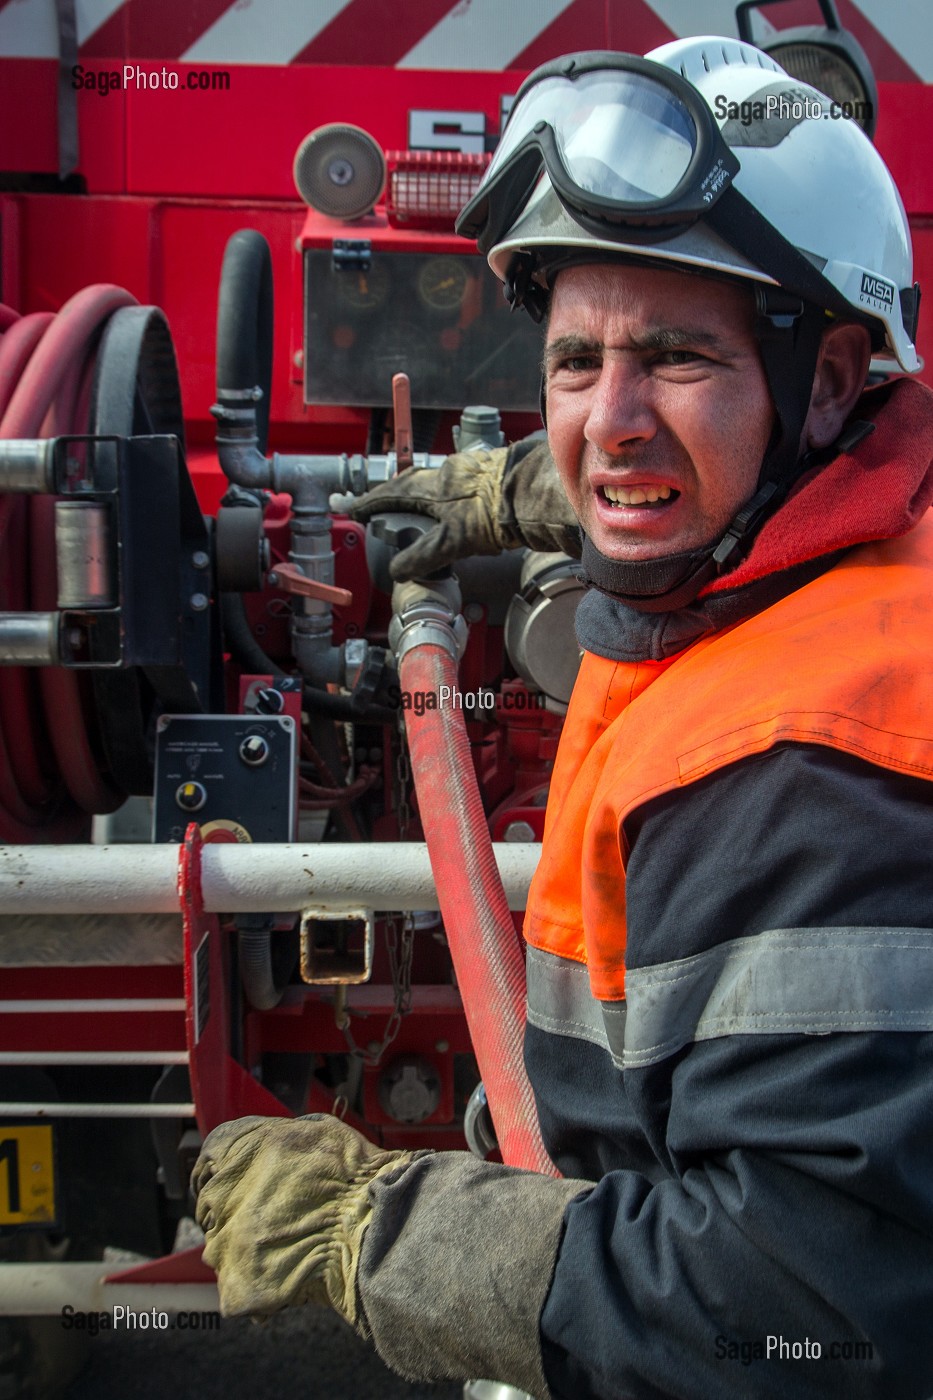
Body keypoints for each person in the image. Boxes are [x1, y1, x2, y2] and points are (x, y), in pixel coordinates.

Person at [191, 36, 933, 1400]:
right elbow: (659, 451)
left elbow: (810, 1324)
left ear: (830, 379)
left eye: (676, 356)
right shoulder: (830, 540)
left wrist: (377, 1237)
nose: (610, 419)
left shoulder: (818, 772)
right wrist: (507, 490)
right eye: (574, 362)